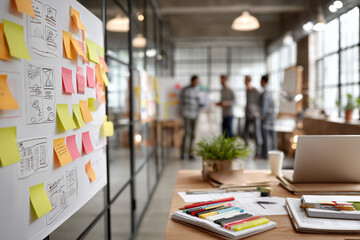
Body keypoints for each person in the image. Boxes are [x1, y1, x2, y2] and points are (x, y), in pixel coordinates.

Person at [179, 75, 203, 160]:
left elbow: (199, 102)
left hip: (195, 114)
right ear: (192, 81)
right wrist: (181, 111)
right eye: (196, 81)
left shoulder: (197, 90)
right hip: (186, 114)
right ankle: (182, 153)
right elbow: (181, 101)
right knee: (187, 133)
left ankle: (190, 153)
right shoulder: (185, 90)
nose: (197, 83)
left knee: (193, 134)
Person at [243, 75, 262, 157]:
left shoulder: (255, 91)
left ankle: (257, 152)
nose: (245, 82)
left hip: (255, 115)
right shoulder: (247, 90)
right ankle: (246, 149)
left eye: (246, 80)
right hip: (248, 114)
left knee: (256, 133)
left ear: (249, 81)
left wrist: (258, 112)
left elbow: (260, 103)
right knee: (245, 132)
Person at [260, 75, 277, 159]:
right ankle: (274, 154)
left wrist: (262, 116)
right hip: (271, 117)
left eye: (261, 81)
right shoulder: (270, 91)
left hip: (266, 118)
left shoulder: (265, 92)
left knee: (265, 138)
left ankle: (265, 155)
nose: (260, 83)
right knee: (272, 137)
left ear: (263, 81)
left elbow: (264, 106)